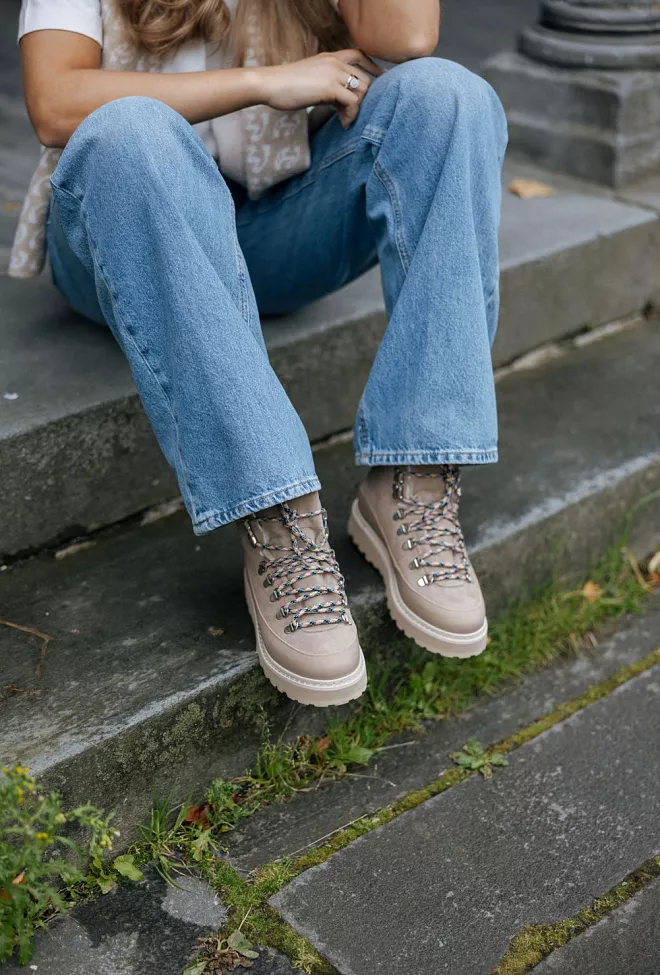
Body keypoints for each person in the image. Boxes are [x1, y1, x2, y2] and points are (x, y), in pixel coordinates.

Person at [15, 0, 507, 709]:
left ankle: (414, 483)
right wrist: (266, 80)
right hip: (125, 225)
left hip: (281, 228)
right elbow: (55, 103)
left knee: (449, 96)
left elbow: (407, 38)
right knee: (128, 133)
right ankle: (280, 525)